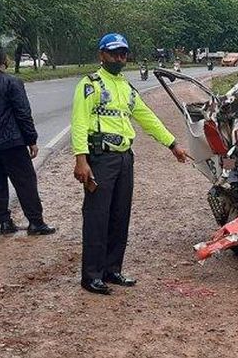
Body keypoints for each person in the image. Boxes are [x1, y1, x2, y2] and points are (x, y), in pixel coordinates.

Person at [71, 33, 188, 295]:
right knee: (97, 217)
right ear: (102, 55)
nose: (119, 58)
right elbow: (79, 122)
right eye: (114, 53)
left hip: (124, 158)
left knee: (119, 215)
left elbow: (147, 118)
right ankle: (91, 276)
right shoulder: (90, 84)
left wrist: (172, 144)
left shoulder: (125, 87)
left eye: (123, 53)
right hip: (100, 158)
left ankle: (112, 270)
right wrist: (81, 159)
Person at [0, 45, 56, 236]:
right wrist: (31, 139)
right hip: (12, 142)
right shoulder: (12, 82)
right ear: (4, 60)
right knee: (25, 181)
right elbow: (23, 113)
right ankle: (36, 222)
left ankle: (5, 222)